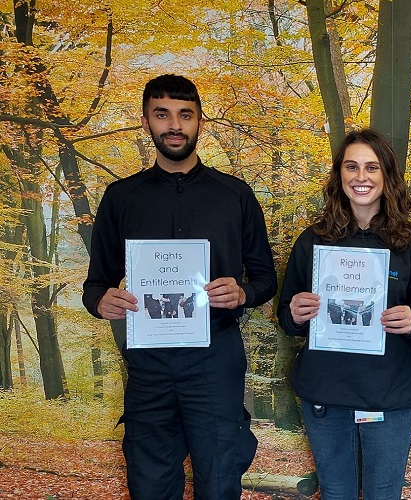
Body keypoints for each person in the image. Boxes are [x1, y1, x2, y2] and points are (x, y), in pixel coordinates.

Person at [82, 74, 277, 500]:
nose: (175, 125)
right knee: (150, 484)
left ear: (199, 122)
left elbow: (266, 278)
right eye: (162, 114)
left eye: (185, 115)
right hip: (148, 365)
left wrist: (243, 293)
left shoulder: (236, 195)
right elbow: (95, 283)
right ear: (146, 121)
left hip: (216, 359)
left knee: (221, 479)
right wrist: (101, 300)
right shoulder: (121, 197)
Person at [277, 129, 411, 499]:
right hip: (326, 394)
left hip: (389, 396)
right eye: (351, 167)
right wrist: (295, 312)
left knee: (383, 494)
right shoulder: (313, 241)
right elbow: (287, 316)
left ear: (386, 176)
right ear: (339, 175)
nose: (361, 177)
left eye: (372, 167)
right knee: (336, 492)